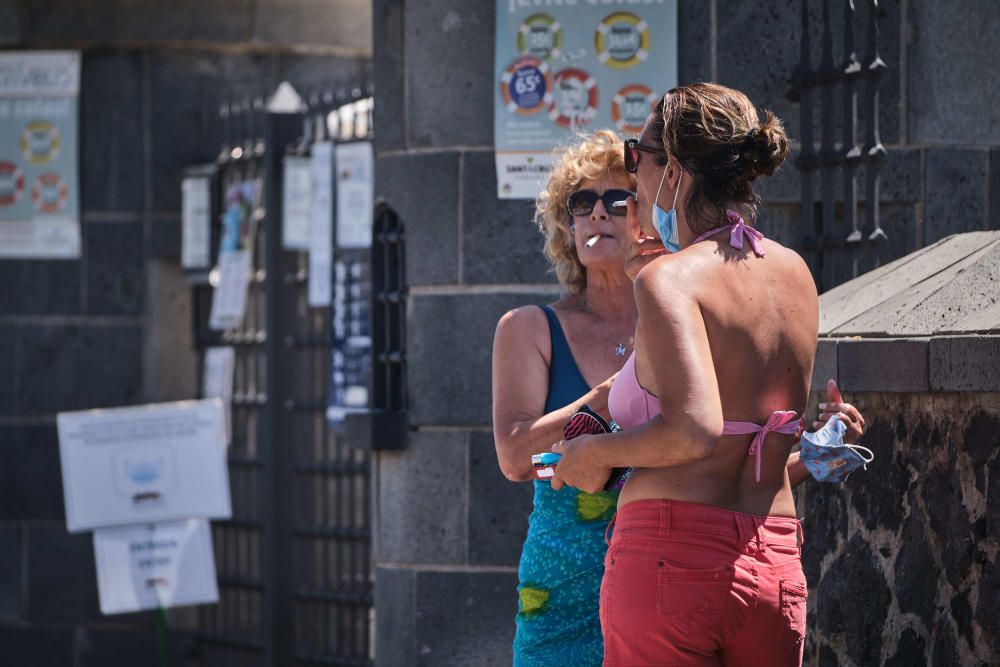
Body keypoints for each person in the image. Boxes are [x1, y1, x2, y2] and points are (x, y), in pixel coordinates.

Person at [493, 127, 865, 666]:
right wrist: (605, 395)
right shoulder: (529, 327)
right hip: (567, 580)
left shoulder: (688, 298)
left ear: (648, 206)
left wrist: (812, 454)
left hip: (677, 560)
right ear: (564, 223)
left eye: (617, 199)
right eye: (581, 203)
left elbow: (719, 458)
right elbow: (513, 455)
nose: (598, 214)